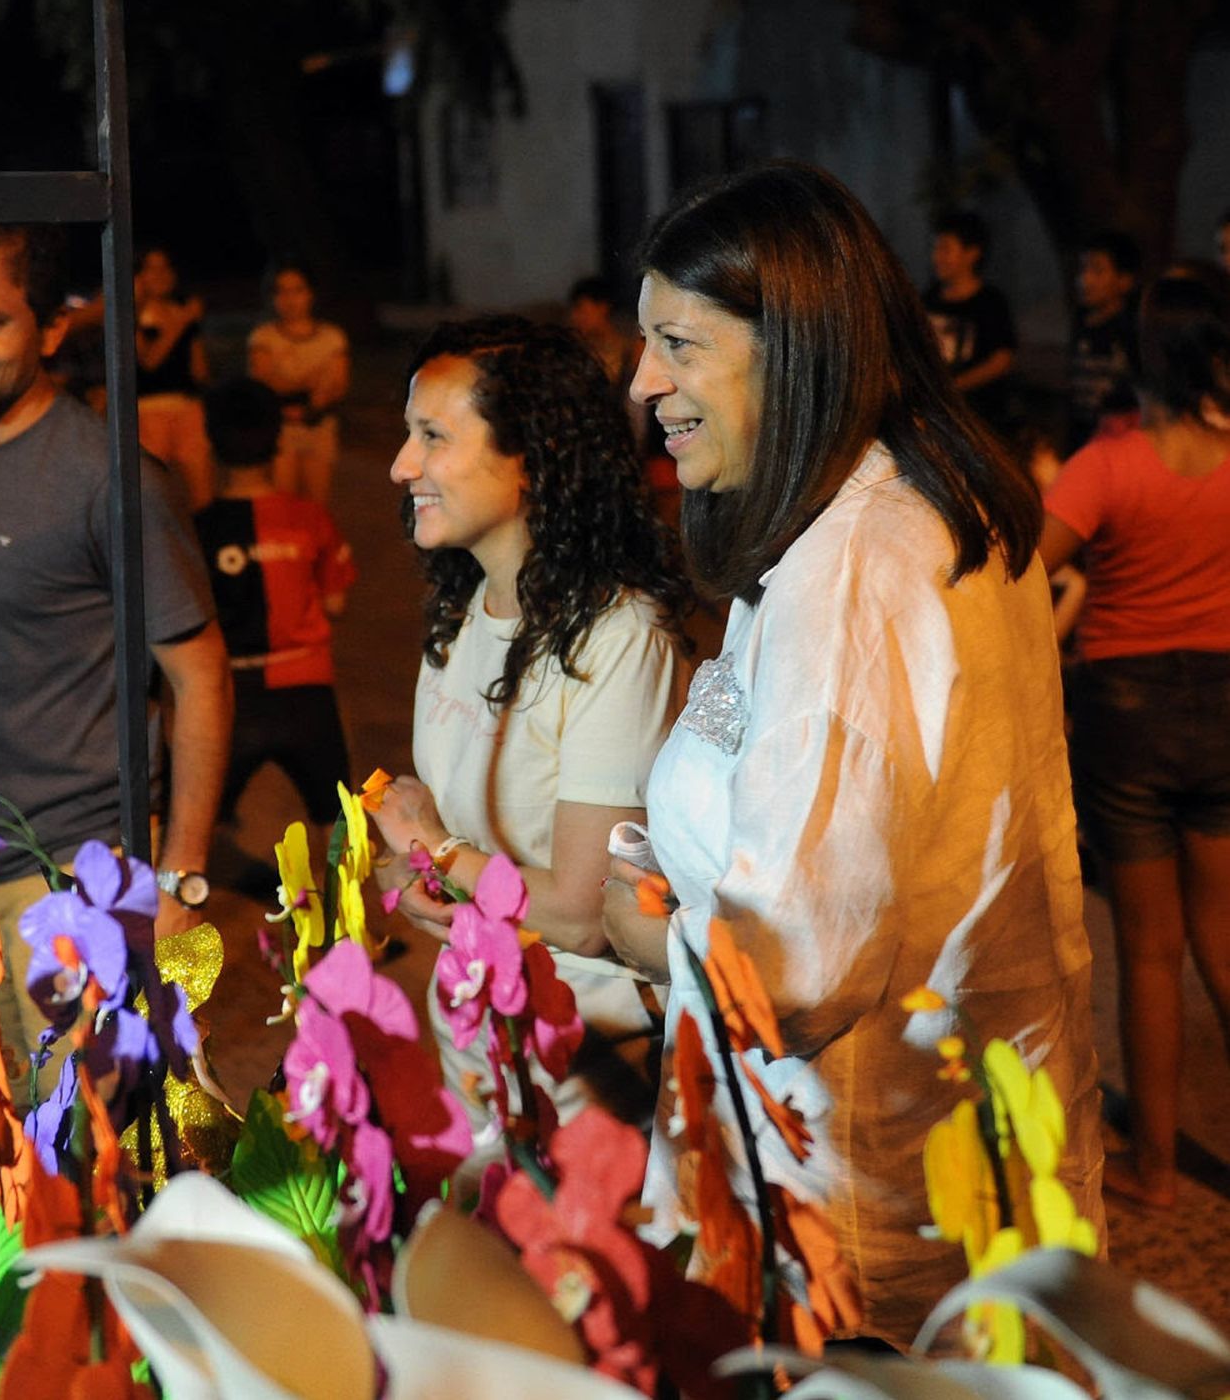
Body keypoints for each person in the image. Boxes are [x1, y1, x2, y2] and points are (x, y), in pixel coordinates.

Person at [603, 162, 1103, 1347]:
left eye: (677, 343)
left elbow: (793, 969)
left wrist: (640, 928)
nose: (642, 383)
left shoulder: (863, 565)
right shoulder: (885, 508)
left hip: (860, 1204)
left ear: (792, 347)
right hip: (934, 1152)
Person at [0, 224, 230, 1105]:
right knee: (1, 1151)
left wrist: (180, 881)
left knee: (99, 1165)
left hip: (77, 879)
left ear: (52, 329)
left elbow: (202, 678)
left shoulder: (108, 480)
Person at [372, 316, 695, 1129]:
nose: (401, 465)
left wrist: (431, 847)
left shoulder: (618, 640)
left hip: (587, 1063)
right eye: (408, 435)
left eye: (432, 437)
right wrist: (416, 875)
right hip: (478, 1034)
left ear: (531, 461)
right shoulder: (464, 609)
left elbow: (586, 916)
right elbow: (461, 848)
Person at [1041, 266, 1230, 1209]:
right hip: (1227, 704)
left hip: (1128, 713)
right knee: (1225, 940)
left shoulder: (1106, 468)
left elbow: (1024, 571)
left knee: (1149, 952)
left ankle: (1156, 1170)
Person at [195, 376, 355, 862]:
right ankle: (343, 934)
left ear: (210, 440)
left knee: (190, 841)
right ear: (278, 441)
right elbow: (335, 604)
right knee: (338, 826)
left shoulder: (196, 529)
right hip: (308, 696)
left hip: (229, 699)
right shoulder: (310, 519)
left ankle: (181, 939)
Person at [247, 261, 348, 505]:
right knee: (284, 503)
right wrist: (310, 381)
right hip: (280, 431)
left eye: (298, 290)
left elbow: (337, 386)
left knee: (317, 506)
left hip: (319, 428)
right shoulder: (264, 337)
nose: (289, 299)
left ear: (311, 293)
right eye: (281, 291)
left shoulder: (331, 338)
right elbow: (263, 383)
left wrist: (308, 399)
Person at [924, 209, 1018, 437]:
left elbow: (1002, 360)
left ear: (972, 253)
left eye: (946, 249)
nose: (937, 257)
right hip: (936, 420)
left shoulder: (990, 302)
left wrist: (952, 387)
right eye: (936, 248)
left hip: (979, 421)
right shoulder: (928, 300)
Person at [135, 245, 213, 513]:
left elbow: (200, 371)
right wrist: (181, 322)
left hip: (187, 408)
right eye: (151, 268)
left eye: (165, 267)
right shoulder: (132, 314)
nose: (159, 274)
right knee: (154, 498)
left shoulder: (183, 312)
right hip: (148, 412)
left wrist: (193, 327)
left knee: (202, 497)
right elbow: (148, 361)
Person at [1067, 231, 1142, 455]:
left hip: (1118, 441)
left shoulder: (1132, 329)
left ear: (1125, 280)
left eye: (1098, 271)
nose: (1085, 280)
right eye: (1083, 269)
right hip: (1081, 436)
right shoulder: (1080, 322)